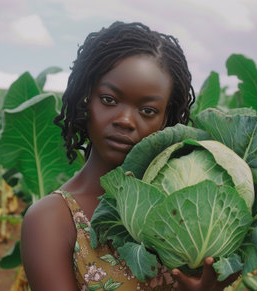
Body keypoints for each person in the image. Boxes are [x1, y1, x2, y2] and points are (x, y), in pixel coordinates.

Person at [21, 21, 238, 291]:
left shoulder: (192, 210)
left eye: (147, 110)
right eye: (109, 100)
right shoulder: (50, 220)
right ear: (85, 98)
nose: (124, 120)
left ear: (166, 119)